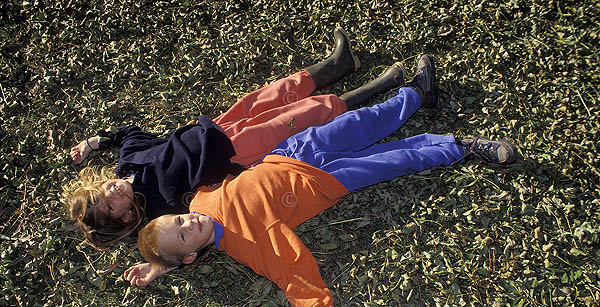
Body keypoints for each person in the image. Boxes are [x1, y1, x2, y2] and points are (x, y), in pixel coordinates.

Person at [126, 55, 517, 307]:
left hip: (294, 151)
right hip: (326, 182)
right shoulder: (246, 242)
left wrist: (159, 262)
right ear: (192, 256)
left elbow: (171, 190)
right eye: (183, 237)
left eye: (178, 221)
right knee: (392, 160)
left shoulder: (202, 196)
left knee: (362, 122)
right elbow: (292, 272)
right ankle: (459, 147)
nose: (187, 224)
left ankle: (415, 94)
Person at [63, 27, 409, 250]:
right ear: (124, 218)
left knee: (277, 93)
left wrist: (95, 142)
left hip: (214, 127)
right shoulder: (157, 212)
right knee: (300, 117)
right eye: (109, 205)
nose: (111, 192)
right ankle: (381, 87)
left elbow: (129, 135)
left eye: (102, 191)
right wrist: (156, 267)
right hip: (234, 153)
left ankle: (338, 64)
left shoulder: (127, 162)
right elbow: (187, 244)